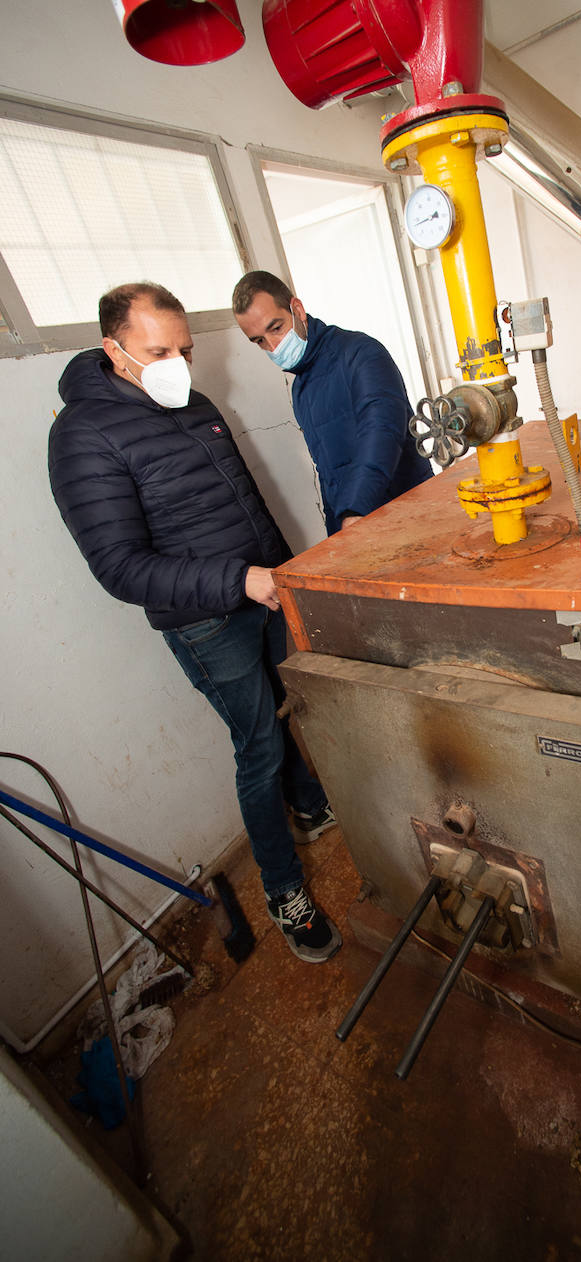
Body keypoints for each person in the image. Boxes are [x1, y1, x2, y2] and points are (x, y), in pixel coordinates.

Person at [48, 282, 340, 964]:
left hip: (264, 592)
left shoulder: (192, 402)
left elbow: (243, 504)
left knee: (290, 705)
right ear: (113, 350)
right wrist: (239, 580)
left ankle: (310, 804)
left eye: (184, 348)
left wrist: (280, 572)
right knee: (258, 747)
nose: (177, 363)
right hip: (208, 621)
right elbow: (120, 567)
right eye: (159, 351)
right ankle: (284, 892)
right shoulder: (83, 436)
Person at [231, 271, 432, 535]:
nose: (273, 346)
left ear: (298, 309)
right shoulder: (301, 389)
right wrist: (335, 533)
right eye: (259, 341)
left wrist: (354, 510)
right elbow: (329, 476)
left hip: (410, 517)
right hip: (359, 530)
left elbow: (381, 431)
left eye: (276, 328)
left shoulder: (361, 354)